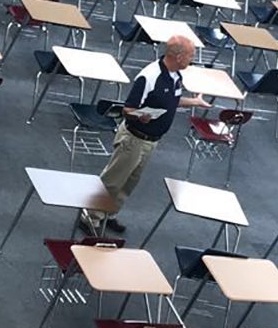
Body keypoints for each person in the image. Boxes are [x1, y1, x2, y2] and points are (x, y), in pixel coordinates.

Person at [81, 35, 211, 234]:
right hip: (133, 139)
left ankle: (109, 214)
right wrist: (140, 116)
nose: (191, 60)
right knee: (113, 180)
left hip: (151, 141)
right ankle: (90, 216)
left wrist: (193, 102)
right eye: (190, 56)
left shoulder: (175, 76)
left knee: (129, 182)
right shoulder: (150, 76)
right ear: (178, 56)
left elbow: (171, 100)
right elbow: (128, 109)